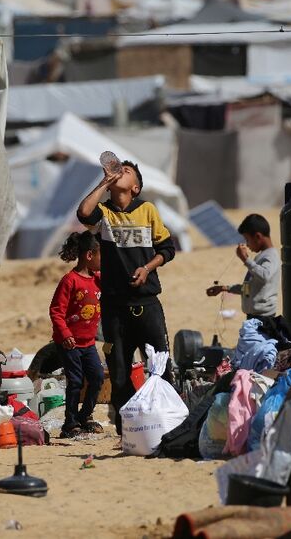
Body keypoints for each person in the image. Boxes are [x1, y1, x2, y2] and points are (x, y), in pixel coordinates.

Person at [77, 159, 176, 435]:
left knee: (159, 366)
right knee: (119, 373)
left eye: (127, 171)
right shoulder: (105, 214)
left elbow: (167, 249)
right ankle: (129, 430)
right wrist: (104, 182)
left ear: (135, 187)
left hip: (147, 303)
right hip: (114, 307)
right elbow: (84, 213)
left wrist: (147, 268)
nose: (120, 171)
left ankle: (168, 423)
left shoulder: (147, 210)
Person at [49, 231, 105, 438]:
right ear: (89, 256)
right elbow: (56, 310)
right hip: (69, 343)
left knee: (97, 377)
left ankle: (85, 416)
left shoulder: (99, 280)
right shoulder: (69, 281)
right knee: (75, 381)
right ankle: (70, 423)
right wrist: (64, 334)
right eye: (101, 256)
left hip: (89, 343)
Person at [206, 214, 281, 319]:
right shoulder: (260, 257)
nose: (247, 244)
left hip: (264, 319)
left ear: (258, 237)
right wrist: (224, 288)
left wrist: (245, 259)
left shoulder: (271, 256)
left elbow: (265, 276)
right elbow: (248, 288)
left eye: (247, 240)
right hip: (253, 318)